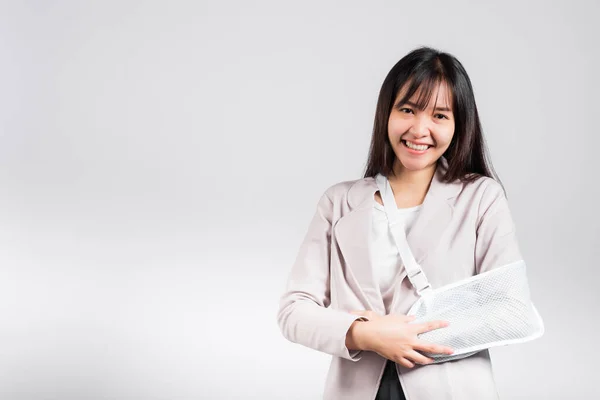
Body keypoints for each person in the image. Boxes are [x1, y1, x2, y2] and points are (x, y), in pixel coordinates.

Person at [276, 46, 524, 400]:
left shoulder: (481, 197)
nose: (420, 129)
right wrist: (365, 334)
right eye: (407, 109)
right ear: (386, 114)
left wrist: (407, 336)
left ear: (459, 124)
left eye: (439, 115)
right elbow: (293, 310)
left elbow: (510, 310)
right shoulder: (338, 202)